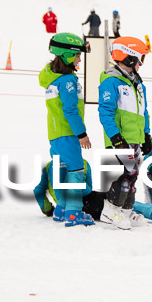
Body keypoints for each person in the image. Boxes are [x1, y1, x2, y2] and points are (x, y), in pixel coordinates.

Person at [39, 32, 94, 226]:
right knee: (76, 171)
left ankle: (61, 208)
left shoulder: (53, 78)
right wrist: (82, 134)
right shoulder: (68, 81)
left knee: (63, 170)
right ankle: (73, 212)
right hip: (68, 133)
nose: (79, 59)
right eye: (77, 55)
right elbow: (70, 110)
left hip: (55, 134)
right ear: (66, 55)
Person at [98, 36, 151, 230]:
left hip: (135, 138)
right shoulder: (111, 82)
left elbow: (144, 112)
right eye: (140, 59)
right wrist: (115, 137)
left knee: (134, 175)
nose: (141, 64)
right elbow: (105, 112)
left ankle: (126, 211)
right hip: (120, 140)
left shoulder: (138, 84)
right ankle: (110, 210)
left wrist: (146, 134)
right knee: (124, 175)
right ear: (129, 58)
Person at [34, 159, 152, 225]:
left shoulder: (47, 167)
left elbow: (38, 191)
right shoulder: (81, 162)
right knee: (117, 202)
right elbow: (88, 188)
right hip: (87, 202)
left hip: (67, 206)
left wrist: (48, 210)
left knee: (115, 203)